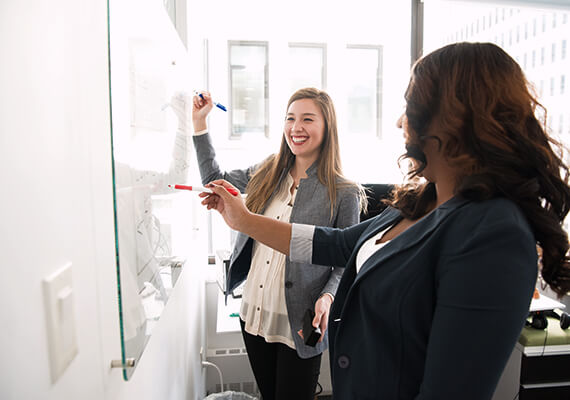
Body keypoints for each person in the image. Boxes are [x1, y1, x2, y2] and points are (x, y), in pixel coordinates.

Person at [198, 42, 570, 399]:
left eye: (411, 106)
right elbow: (337, 244)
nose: (398, 121)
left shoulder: (493, 234)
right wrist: (243, 220)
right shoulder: (418, 201)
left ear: (454, 117)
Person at [191, 87, 364, 399]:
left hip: (300, 321)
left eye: (307, 119)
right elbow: (214, 180)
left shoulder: (344, 192)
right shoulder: (267, 171)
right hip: (254, 313)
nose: (296, 128)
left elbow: (345, 261)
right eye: (290, 118)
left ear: (328, 128)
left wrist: (327, 297)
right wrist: (200, 124)